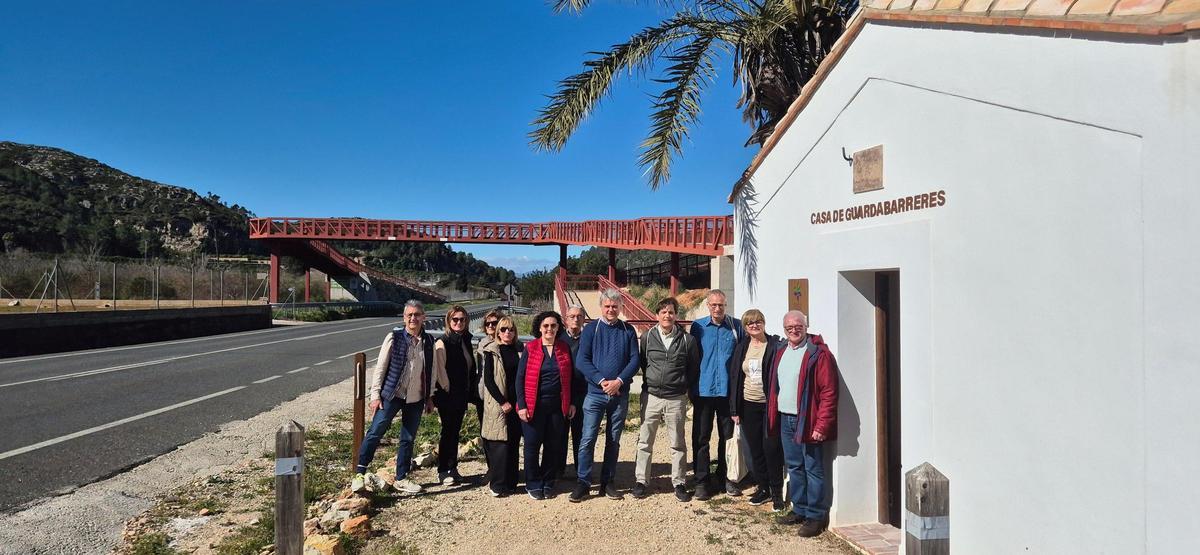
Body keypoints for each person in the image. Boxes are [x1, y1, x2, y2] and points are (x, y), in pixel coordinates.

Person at [352, 300, 436, 494]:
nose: (413, 318)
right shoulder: (394, 337)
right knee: (376, 431)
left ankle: (402, 477)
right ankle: (360, 473)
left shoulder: (429, 342)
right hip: (392, 394)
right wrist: (375, 396)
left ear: (424, 317)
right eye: (409, 315)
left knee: (408, 438)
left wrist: (429, 397)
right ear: (404, 317)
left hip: (415, 398)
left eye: (417, 315)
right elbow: (380, 368)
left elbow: (431, 372)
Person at [769, 310, 839, 537]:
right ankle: (799, 509)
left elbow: (829, 392)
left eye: (798, 325)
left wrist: (822, 425)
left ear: (805, 326)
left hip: (807, 420)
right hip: (785, 418)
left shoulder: (818, 354)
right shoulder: (781, 351)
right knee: (795, 466)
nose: (794, 330)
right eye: (789, 327)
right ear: (784, 330)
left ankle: (816, 516)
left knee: (813, 469)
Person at [570, 288, 639, 502]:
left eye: (614, 306)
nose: (611, 309)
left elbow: (634, 360)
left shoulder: (627, 330)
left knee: (614, 439)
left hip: (619, 394)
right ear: (601, 307)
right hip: (595, 394)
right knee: (587, 438)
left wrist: (618, 381)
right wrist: (602, 381)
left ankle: (608, 481)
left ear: (621, 308)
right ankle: (583, 481)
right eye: (607, 306)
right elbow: (582, 360)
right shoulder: (591, 330)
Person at [631, 297, 699, 502]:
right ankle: (641, 481)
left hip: (676, 398)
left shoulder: (688, 340)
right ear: (657, 315)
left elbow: (693, 368)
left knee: (677, 442)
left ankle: (679, 482)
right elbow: (643, 362)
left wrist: (683, 386)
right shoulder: (647, 337)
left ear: (676, 315)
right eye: (663, 312)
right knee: (644, 441)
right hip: (651, 396)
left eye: (671, 312)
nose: (667, 316)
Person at [688, 289, 744, 500]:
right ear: (708, 306)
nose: (717, 309)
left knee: (728, 438)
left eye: (721, 305)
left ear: (725, 305)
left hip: (727, 393)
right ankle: (702, 481)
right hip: (703, 390)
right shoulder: (698, 327)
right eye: (714, 305)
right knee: (701, 438)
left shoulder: (736, 326)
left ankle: (726, 478)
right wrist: (689, 387)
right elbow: (692, 358)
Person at [728, 308, 786, 510]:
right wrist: (734, 409)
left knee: (772, 449)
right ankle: (764, 488)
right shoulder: (742, 347)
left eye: (758, 321)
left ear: (764, 323)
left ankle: (777, 493)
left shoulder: (774, 345)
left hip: (769, 406)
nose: (755, 325)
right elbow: (735, 377)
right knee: (755, 450)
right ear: (745, 327)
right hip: (748, 405)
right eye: (750, 323)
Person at [516, 311, 576, 500]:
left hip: (557, 407)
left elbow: (570, 378)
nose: (549, 329)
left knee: (553, 446)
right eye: (546, 326)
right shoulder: (531, 348)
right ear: (540, 328)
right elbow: (520, 378)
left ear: (558, 327)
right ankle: (533, 482)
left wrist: (572, 402)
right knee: (532, 446)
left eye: (553, 325)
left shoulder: (564, 348)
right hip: (534, 406)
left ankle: (548, 481)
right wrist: (522, 405)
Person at [480, 315, 524, 497]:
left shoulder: (520, 350)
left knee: (513, 443)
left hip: (517, 403)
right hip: (500, 404)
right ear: (498, 332)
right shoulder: (491, 351)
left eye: (511, 329)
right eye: (504, 329)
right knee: (500, 445)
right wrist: (502, 401)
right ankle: (497, 484)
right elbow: (488, 380)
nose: (507, 332)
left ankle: (512, 482)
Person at [432, 305, 474, 486]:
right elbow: (440, 370)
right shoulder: (443, 342)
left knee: (455, 432)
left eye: (462, 319)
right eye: (455, 319)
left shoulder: (464, 340)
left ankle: (453, 467)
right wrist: (448, 390)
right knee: (447, 432)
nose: (458, 322)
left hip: (461, 394)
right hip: (447, 395)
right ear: (448, 321)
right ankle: (443, 470)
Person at [556, 304, 587, 477]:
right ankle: (558, 469)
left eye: (579, 316)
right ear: (565, 319)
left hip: (583, 393)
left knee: (581, 434)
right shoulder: (558, 339)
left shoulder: (588, 338)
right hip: (561, 393)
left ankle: (580, 470)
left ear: (583, 319)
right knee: (559, 434)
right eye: (572, 316)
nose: (576, 319)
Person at [472, 310, 503, 426]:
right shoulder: (481, 343)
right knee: (484, 427)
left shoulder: (505, 342)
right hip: (482, 392)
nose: (490, 326)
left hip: (499, 393)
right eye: (487, 323)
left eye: (494, 323)